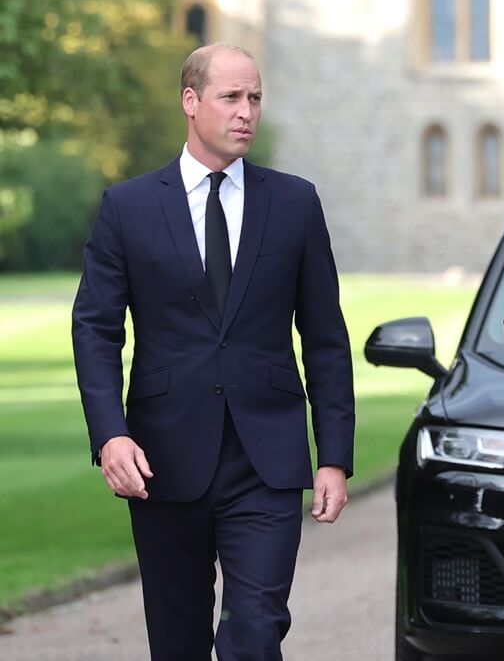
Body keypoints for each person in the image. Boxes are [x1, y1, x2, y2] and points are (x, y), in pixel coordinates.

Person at [71, 43, 355, 660]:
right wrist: (110, 435)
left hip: (268, 459)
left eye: (254, 98)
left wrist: (333, 456)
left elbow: (326, 338)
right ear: (190, 101)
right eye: (231, 97)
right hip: (162, 459)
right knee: (177, 642)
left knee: (255, 629)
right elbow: (95, 327)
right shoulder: (129, 207)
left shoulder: (296, 202)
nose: (246, 112)